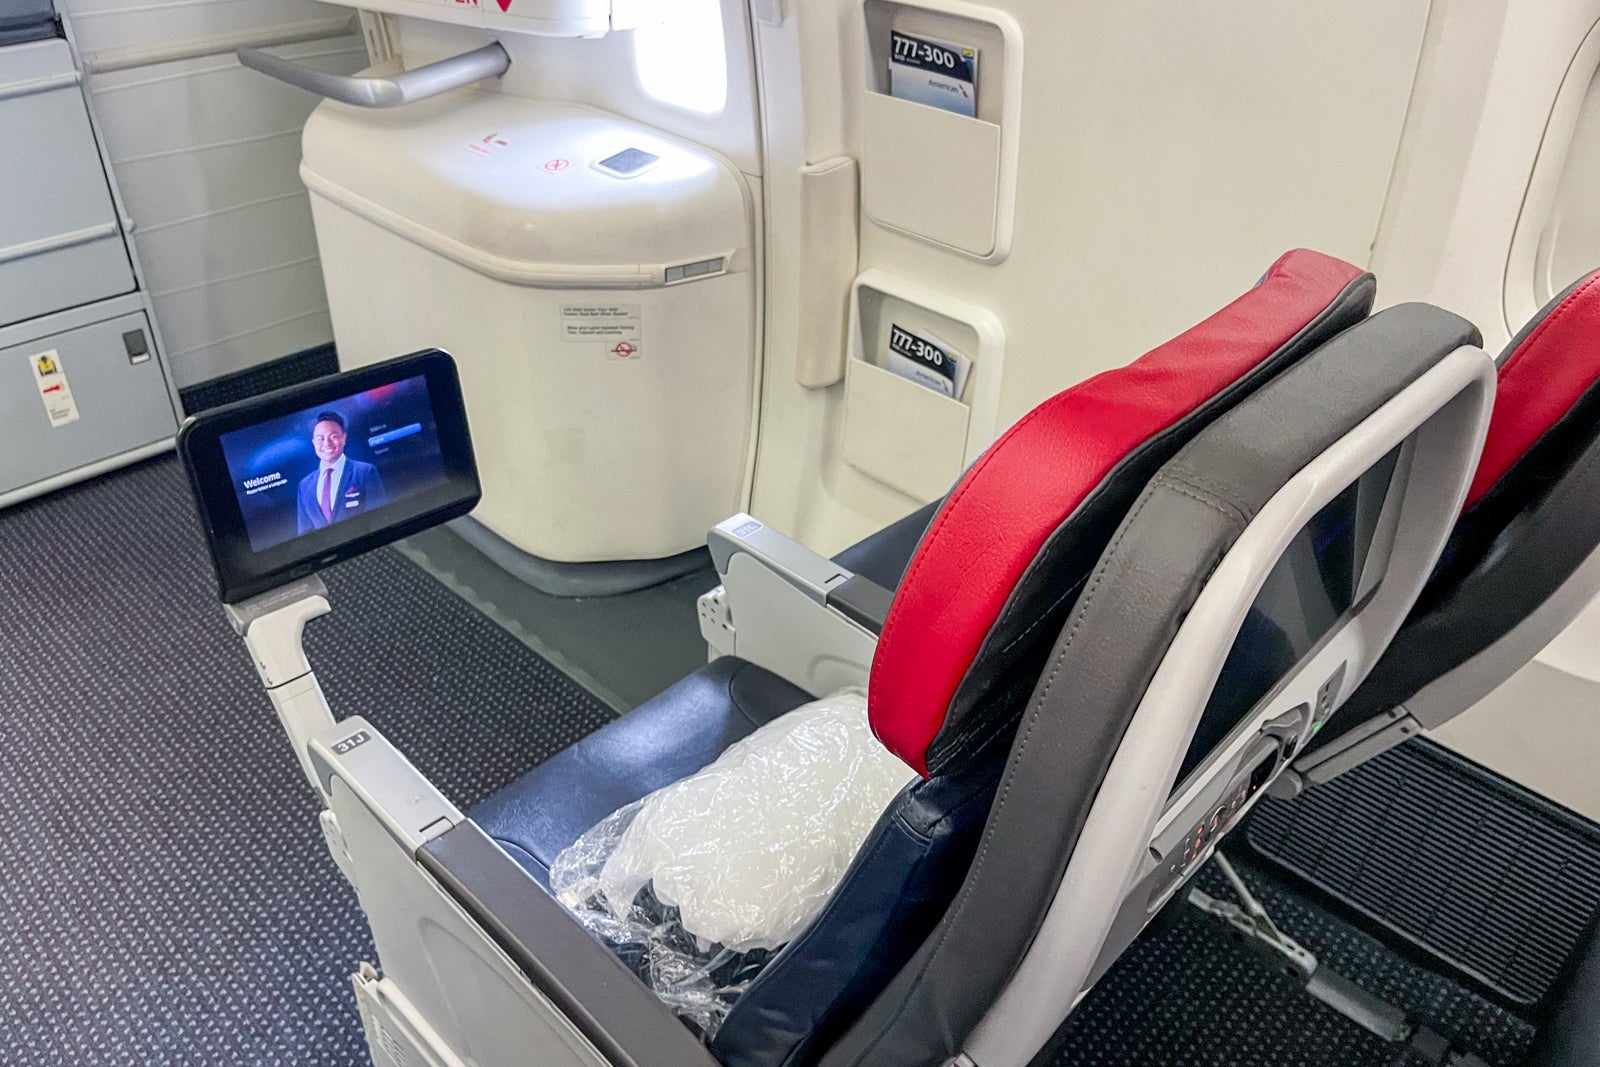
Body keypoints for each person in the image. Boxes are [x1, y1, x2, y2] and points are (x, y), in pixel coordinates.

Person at [296, 410, 387, 534]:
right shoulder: (304, 486)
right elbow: (305, 536)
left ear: (344, 438)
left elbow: (379, 520)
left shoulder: (365, 472)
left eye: (333, 436)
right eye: (320, 438)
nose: (327, 443)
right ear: (314, 443)